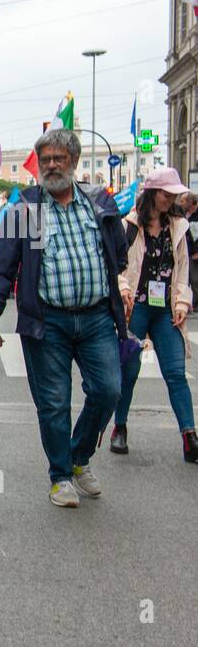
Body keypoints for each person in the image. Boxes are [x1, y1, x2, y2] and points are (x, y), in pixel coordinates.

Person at [0, 129, 129, 508]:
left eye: (59, 158)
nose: (52, 165)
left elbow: (119, 255)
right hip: (47, 323)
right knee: (54, 402)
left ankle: (79, 458)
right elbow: (0, 270)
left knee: (109, 389)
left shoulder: (100, 205)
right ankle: (60, 475)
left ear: (74, 162)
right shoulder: (22, 211)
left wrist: (120, 288)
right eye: (45, 160)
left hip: (96, 319)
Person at [109, 167, 196, 462]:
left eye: (173, 194)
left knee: (175, 373)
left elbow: (183, 269)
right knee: (129, 372)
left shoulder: (179, 226)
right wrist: (122, 289)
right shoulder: (129, 226)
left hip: (166, 309)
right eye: (165, 193)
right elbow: (118, 266)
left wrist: (183, 303)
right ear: (152, 193)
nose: (170, 198)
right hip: (137, 306)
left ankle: (189, 436)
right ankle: (119, 427)